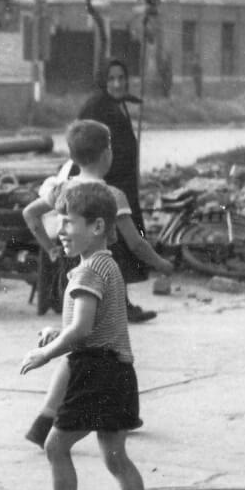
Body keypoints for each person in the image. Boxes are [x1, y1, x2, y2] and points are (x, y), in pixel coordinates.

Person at [18, 182, 165, 490]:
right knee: (116, 457)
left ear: (97, 226)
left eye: (67, 222)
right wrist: (57, 330)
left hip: (94, 372)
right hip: (119, 371)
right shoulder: (107, 264)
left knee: (55, 447)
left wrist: (46, 353)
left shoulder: (86, 273)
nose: (60, 231)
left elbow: (82, 331)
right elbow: (90, 322)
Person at [21, 120, 174, 448]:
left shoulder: (62, 188)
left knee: (76, 345)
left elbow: (30, 215)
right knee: (107, 340)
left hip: (70, 270)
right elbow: (135, 243)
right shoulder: (110, 195)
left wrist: (49, 248)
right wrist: (161, 262)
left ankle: (45, 417)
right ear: (107, 154)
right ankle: (116, 412)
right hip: (99, 270)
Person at [76, 58, 157, 323]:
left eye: (122, 78)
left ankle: (116, 304)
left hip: (122, 184)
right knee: (115, 247)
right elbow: (83, 145)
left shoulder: (115, 104)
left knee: (118, 246)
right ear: (103, 81)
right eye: (111, 79)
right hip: (108, 186)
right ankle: (120, 306)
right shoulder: (97, 107)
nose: (118, 83)